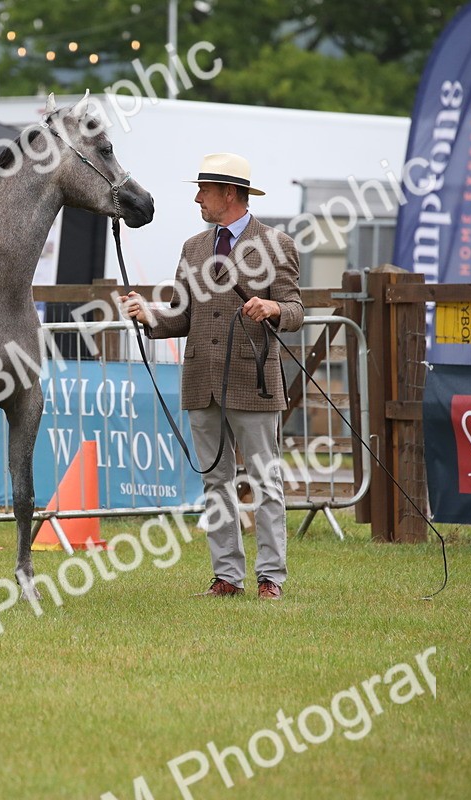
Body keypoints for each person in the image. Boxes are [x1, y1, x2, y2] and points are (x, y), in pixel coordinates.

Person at [125, 153, 303, 600]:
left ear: (230, 193)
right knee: (215, 483)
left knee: (265, 481)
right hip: (202, 381)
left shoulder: (276, 244)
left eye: (204, 189)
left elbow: (297, 310)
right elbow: (182, 315)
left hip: (254, 381)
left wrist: (273, 308)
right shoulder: (193, 248)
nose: (197, 197)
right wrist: (149, 316)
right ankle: (226, 576)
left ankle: (271, 579)